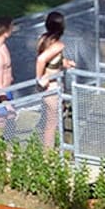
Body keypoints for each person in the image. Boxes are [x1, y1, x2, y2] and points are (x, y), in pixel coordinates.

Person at [35, 11, 70, 152]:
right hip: (52, 88)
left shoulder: (44, 39)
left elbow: (51, 61)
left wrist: (65, 63)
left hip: (49, 88)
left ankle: (50, 149)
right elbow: (41, 59)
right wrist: (40, 79)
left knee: (51, 119)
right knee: (52, 123)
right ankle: (47, 154)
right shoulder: (58, 45)